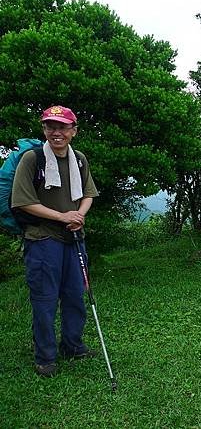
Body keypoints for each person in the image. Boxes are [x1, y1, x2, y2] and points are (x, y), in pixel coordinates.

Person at [11, 105, 99, 377]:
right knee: (45, 299)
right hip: (42, 239)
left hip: (73, 236)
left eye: (62, 127)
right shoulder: (32, 159)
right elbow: (24, 202)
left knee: (75, 295)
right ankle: (46, 357)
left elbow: (88, 194)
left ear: (73, 131)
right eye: (50, 126)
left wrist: (78, 217)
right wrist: (63, 216)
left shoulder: (79, 159)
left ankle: (73, 346)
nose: (56, 132)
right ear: (44, 130)